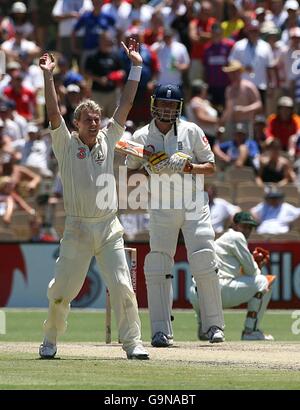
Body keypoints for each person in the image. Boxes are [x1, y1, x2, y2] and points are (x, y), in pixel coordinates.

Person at [38, 38, 149, 360]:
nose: (94, 122)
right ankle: (50, 340)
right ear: (77, 124)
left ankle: (133, 343)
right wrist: (48, 76)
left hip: (108, 227)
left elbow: (125, 105)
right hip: (77, 230)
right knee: (61, 294)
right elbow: (53, 111)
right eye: (88, 119)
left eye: (97, 118)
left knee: (122, 286)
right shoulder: (64, 143)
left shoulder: (108, 139)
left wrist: (137, 66)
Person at [126, 84, 225, 347]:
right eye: (163, 104)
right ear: (153, 104)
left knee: (204, 259)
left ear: (179, 108)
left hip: (194, 205)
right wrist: (148, 165)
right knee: (158, 265)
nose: (167, 109)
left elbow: (212, 167)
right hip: (161, 207)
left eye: (172, 105)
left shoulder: (191, 131)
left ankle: (213, 325)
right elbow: (129, 172)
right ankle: (160, 331)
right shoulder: (140, 136)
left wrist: (189, 166)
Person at [189, 211, 276, 341]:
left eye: (250, 227)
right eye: (244, 226)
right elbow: (252, 271)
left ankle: (205, 327)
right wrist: (257, 265)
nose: (247, 230)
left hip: (195, 292)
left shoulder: (222, 240)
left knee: (211, 283)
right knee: (265, 281)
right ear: (234, 225)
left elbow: (233, 271)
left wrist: (252, 266)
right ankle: (250, 331)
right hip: (219, 291)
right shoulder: (236, 236)